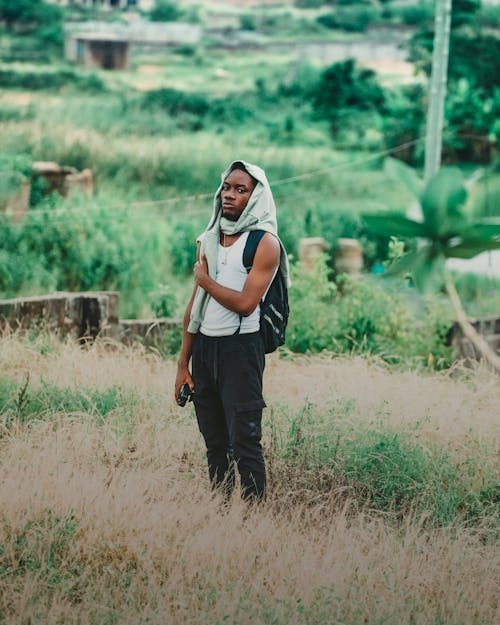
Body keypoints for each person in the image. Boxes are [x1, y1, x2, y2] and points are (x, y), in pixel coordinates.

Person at [175, 160, 290, 502]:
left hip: (241, 351)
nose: (230, 195)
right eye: (227, 187)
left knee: (245, 439)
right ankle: (221, 511)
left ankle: (253, 517)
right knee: (214, 441)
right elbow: (195, 307)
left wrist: (205, 280)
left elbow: (245, 304)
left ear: (256, 197)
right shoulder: (209, 238)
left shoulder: (264, 243)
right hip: (204, 351)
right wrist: (183, 364)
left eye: (241, 190)